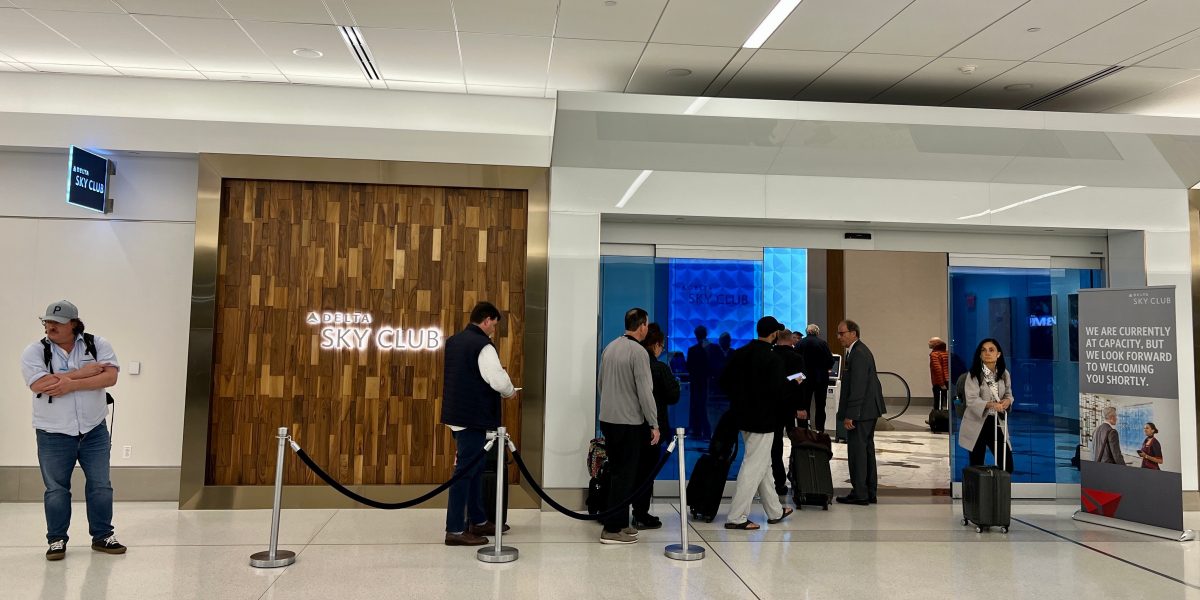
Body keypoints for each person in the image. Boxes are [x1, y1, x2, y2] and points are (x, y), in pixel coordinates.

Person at [21, 300, 125, 560]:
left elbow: (110, 377)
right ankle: (56, 540)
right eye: (47, 321)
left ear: (74, 324)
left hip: (94, 430)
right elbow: (40, 384)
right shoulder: (35, 351)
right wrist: (83, 373)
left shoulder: (97, 344)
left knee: (101, 485)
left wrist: (67, 383)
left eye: (57, 322)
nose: (50, 326)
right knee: (56, 489)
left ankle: (102, 536)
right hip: (52, 433)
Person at [440, 301, 518, 546]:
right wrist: (510, 392)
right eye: (494, 324)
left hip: (457, 415)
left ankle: (479, 520)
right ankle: (455, 529)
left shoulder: (454, 341)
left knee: (474, 470)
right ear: (486, 320)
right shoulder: (482, 345)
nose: (494, 330)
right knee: (465, 473)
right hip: (473, 417)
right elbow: (497, 379)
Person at [721, 316, 794, 530]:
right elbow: (780, 392)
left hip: (743, 418)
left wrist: (740, 401)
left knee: (763, 465)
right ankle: (736, 517)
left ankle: (775, 510)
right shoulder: (773, 359)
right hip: (764, 420)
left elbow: (724, 381)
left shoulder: (740, 353)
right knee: (753, 466)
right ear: (773, 334)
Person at [597, 307, 660, 544]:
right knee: (626, 475)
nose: (647, 328)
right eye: (646, 324)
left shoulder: (610, 348)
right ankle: (612, 528)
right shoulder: (639, 352)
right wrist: (653, 423)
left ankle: (620, 522)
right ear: (642, 326)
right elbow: (645, 391)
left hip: (608, 419)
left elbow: (601, 383)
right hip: (629, 422)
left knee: (617, 472)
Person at [631, 323, 680, 529]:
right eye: (661, 345)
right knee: (647, 472)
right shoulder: (659, 368)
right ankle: (641, 513)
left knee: (630, 470)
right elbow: (673, 395)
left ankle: (620, 511)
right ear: (655, 345)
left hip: (630, 423)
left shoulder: (631, 362)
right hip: (653, 427)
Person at [834, 320, 886, 506]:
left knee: (858, 452)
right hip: (867, 411)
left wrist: (851, 414)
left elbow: (858, 387)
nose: (839, 337)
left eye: (842, 333)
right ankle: (868, 492)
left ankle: (860, 493)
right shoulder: (857, 351)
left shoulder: (859, 354)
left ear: (853, 333)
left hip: (862, 412)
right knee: (865, 451)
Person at [959, 338, 1014, 473]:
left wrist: (1008, 401)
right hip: (977, 422)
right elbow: (971, 400)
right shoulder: (974, 375)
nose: (987, 353)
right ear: (980, 355)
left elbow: (1009, 394)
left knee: (1007, 464)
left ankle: (1000, 486)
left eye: (991, 350)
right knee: (977, 465)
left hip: (996, 421)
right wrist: (991, 405)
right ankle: (978, 487)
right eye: (983, 350)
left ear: (998, 354)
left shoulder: (1004, 373)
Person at [771, 329, 807, 499]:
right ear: (791, 340)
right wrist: (801, 407)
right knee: (795, 440)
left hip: (774, 406)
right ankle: (796, 475)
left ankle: (779, 482)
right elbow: (800, 381)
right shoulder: (796, 358)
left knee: (776, 444)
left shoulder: (771, 356)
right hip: (791, 405)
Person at [796, 324, 833, 433]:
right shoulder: (822, 343)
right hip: (820, 378)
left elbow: (795, 361)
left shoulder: (800, 343)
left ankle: (803, 431)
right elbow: (830, 361)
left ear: (806, 332)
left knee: (804, 406)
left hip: (803, 379)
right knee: (820, 406)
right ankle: (819, 431)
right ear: (817, 332)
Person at [686, 326, 712, 439]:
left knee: (696, 406)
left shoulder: (692, 350)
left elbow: (688, 367)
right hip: (707, 382)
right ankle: (706, 432)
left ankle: (697, 430)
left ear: (696, 335)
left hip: (696, 382)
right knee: (703, 407)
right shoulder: (711, 348)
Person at [928, 337, 950, 411]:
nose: (928, 343)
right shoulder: (946, 353)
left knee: (938, 403)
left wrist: (941, 384)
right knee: (948, 401)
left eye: (931, 342)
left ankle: (938, 416)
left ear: (936, 344)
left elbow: (938, 370)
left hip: (939, 383)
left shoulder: (934, 355)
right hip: (948, 380)